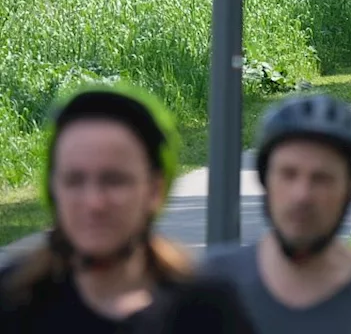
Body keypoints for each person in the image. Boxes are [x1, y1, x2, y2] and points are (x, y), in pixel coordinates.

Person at [0, 85, 256, 333]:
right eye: (74, 180)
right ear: (52, 189)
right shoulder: (13, 301)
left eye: (114, 180)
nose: (94, 203)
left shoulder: (207, 312)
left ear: (154, 190)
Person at [203, 95, 351, 334]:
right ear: (264, 179)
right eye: (288, 174)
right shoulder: (206, 287)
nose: (302, 195)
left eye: (322, 179)